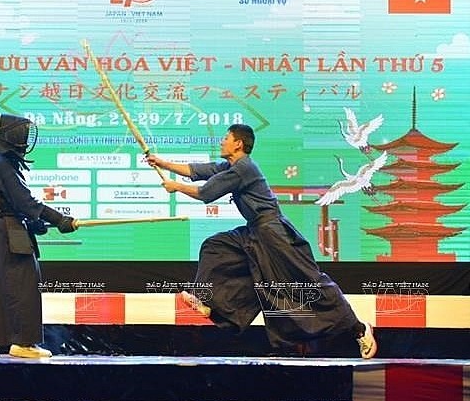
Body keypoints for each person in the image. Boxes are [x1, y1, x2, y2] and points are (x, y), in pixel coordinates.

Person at [146, 124, 377, 358]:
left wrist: (176, 187)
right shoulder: (232, 166)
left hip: (275, 234)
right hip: (255, 232)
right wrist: (161, 163)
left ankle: (359, 329)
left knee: (310, 282)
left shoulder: (244, 168)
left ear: (238, 144)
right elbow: (199, 171)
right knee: (216, 246)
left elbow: (206, 193)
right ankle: (207, 301)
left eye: (226, 138)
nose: (222, 142)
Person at [0, 113, 78, 358]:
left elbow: (15, 203)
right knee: (24, 286)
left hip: (1, 231)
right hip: (8, 234)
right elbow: (26, 201)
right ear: (11, 135)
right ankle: (23, 343)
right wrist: (59, 219)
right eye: (22, 133)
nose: (26, 138)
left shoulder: (2, 162)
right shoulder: (3, 163)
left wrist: (35, 223)